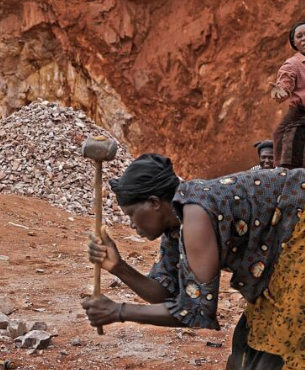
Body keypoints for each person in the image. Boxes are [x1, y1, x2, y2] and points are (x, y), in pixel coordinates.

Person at [82, 154, 304, 370]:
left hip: (299, 232)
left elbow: (196, 310)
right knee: (246, 349)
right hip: (284, 255)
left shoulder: (196, 212)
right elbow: (166, 294)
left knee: (279, 347)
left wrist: (118, 311)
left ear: (154, 202)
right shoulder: (176, 222)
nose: (131, 224)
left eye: (131, 214)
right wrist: (119, 268)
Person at [270, 21, 305, 169]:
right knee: (282, 134)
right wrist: (281, 92)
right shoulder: (292, 64)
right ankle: (282, 175)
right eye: (299, 36)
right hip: (300, 115)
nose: (304, 38)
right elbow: (284, 85)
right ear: (294, 43)